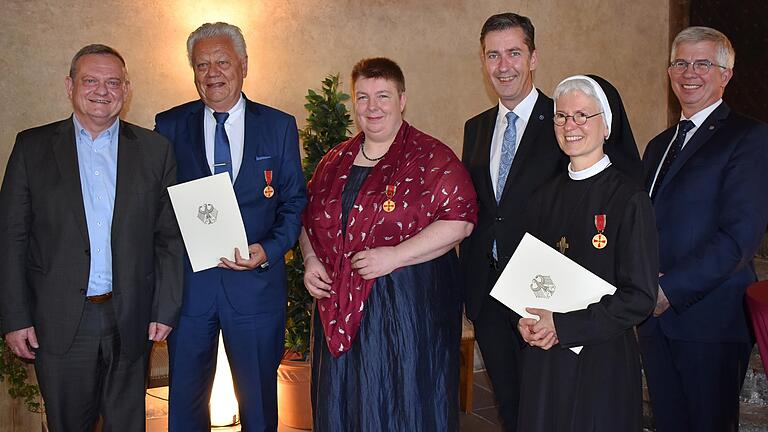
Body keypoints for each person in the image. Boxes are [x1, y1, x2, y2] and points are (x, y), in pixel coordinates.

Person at [0, 44, 183, 431]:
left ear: (126, 90)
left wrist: (164, 308)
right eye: (91, 81)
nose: (103, 90)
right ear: (70, 86)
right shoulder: (31, 148)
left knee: (128, 424)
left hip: (131, 318)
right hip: (61, 321)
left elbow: (169, 238)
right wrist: (15, 317)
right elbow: (10, 238)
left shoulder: (155, 151)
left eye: (113, 82)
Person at [300, 57, 477, 431]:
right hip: (338, 308)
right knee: (345, 400)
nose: (372, 107)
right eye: (362, 97)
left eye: (382, 95)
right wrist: (311, 259)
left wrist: (394, 256)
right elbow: (308, 217)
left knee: (403, 400)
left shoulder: (432, 157)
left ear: (402, 99)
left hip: (409, 310)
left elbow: (459, 221)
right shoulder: (334, 161)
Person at [154, 22, 306, 431]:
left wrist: (269, 250)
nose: (212, 73)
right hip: (191, 291)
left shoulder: (278, 126)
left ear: (243, 65)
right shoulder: (168, 126)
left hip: (255, 289)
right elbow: (158, 207)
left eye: (222, 61)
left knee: (258, 407)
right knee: (184, 406)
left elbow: (293, 203)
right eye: (201, 64)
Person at [638, 26, 768, 432]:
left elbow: (739, 238)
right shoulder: (659, 144)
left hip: (709, 320)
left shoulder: (749, 137)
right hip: (654, 319)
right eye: (680, 62)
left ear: (726, 74)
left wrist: (669, 290)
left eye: (702, 63)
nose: (689, 72)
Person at [515, 74, 657, 431]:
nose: (570, 125)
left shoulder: (629, 199)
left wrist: (565, 326)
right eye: (561, 116)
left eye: (582, 115)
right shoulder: (542, 197)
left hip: (601, 358)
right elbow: (530, 278)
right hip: (546, 358)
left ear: (606, 125)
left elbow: (639, 296)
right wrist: (525, 320)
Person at [459, 13, 568, 431]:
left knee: (547, 407)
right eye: (493, 55)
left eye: (514, 53)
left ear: (534, 57)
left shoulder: (563, 120)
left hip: (543, 294)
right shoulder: (476, 127)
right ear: (483, 61)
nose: (504, 65)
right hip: (487, 294)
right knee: (508, 406)